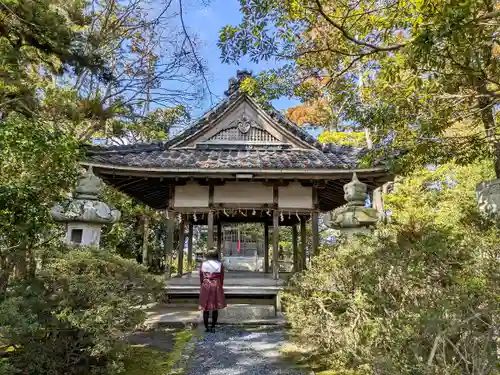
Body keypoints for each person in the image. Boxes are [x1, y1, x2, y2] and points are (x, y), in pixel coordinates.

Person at [199, 248, 226, 332]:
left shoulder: (203, 264)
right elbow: (221, 276)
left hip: (206, 284)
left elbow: (201, 276)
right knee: (215, 307)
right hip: (216, 284)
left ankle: (207, 327)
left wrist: (202, 285)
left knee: (205, 308)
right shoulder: (219, 264)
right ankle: (213, 326)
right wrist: (220, 286)